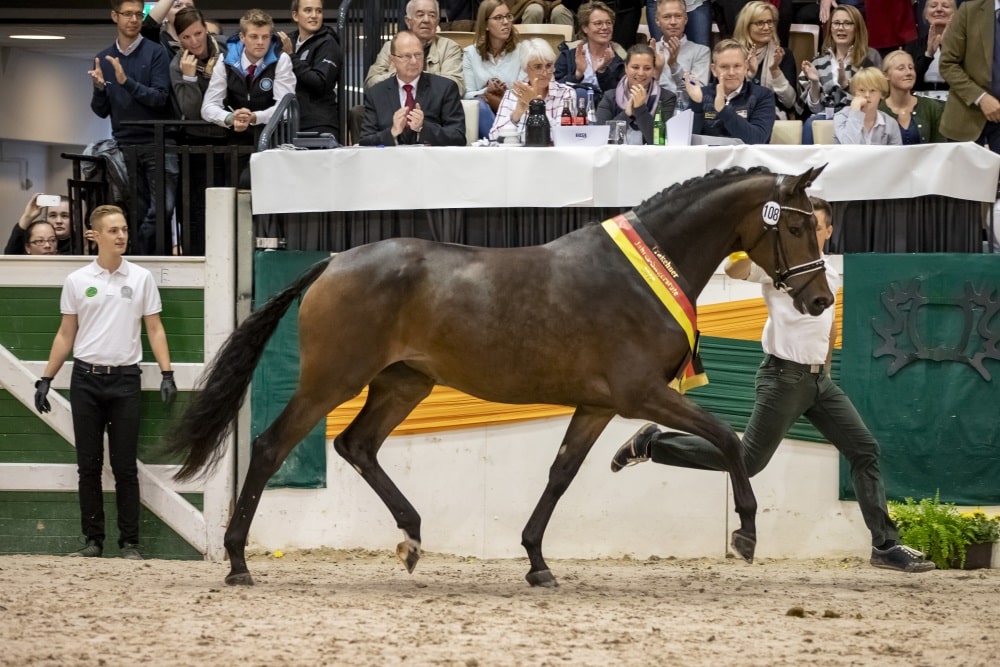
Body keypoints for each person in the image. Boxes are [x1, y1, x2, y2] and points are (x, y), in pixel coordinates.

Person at [609, 197, 936, 574]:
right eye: (804, 226)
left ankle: (885, 545)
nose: (811, 232)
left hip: (818, 382)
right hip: (783, 377)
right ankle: (652, 444)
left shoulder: (830, 272)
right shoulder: (779, 266)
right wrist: (747, 240)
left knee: (864, 450)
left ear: (829, 231)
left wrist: (824, 372)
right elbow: (737, 270)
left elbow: (826, 328)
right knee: (747, 461)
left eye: (816, 226)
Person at [34, 204, 176, 560]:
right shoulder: (78, 281)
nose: (122, 235)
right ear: (94, 235)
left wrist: (167, 372)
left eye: (125, 229)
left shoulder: (141, 278)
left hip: (126, 379)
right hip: (86, 379)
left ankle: (130, 542)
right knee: (89, 465)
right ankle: (93, 541)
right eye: (113, 230)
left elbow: (154, 328)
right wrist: (45, 378)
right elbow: (66, 334)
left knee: (125, 466)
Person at [90, 0, 178, 256]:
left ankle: (135, 250)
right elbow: (101, 110)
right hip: (124, 144)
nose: (134, 19)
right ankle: (140, 260)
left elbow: (159, 98)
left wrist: (126, 82)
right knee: (135, 210)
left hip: (158, 142)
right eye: (127, 14)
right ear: (114, 16)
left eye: (138, 14)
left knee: (163, 208)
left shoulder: (155, 52)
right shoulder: (104, 58)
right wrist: (99, 90)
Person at [169, 6, 226, 255]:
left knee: (229, 202)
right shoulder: (177, 64)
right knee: (196, 207)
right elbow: (191, 112)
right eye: (186, 37)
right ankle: (198, 256)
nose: (194, 42)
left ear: (205, 29)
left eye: (198, 34)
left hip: (229, 138)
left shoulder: (227, 50)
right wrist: (190, 79)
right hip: (196, 142)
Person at [201, 9, 297, 140]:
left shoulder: (281, 59)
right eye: (254, 36)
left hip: (274, 137)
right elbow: (208, 107)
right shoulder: (226, 60)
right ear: (242, 37)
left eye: (265, 37)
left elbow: (285, 109)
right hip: (237, 138)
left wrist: (255, 117)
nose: (260, 42)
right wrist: (230, 117)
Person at [360, 31, 467, 146]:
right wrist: (392, 133)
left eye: (418, 55)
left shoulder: (445, 88)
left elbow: (458, 136)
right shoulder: (377, 93)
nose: (414, 61)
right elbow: (365, 141)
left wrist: (423, 128)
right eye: (406, 56)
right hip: (390, 161)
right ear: (392, 60)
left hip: (431, 161)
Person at [798, 4, 881, 143]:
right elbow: (815, 108)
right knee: (810, 124)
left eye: (847, 23)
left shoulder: (867, 62)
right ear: (830, 28)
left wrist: (845, 84)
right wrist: (814, 82)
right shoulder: (818, 63)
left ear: (857, 28)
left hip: (856, 117)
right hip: (824, 117)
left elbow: (872, 101)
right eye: (836, 23)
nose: (841, 28)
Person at [366, 0, 466, 97]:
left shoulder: (449, 48)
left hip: (434, 108)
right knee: (359, 112)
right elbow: (370, 84)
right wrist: (396, 77)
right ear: (408, 21)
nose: (426, 20)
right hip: (395, 104)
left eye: (432, 15)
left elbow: (457, 87)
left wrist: (413, 77)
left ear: (437, 22)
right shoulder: (390, 46)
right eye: (420, 15)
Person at [939, 0, 1000, 155]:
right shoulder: (969, 10)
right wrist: (981, 97)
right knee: (966, 179)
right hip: (966, 116)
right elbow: (948, 64)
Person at [686, 39, 776, 144]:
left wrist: (724, 111)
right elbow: (688, 141)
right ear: (714, 70)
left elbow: (757, 139)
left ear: (746, 66)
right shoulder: (701, 95)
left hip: (746, 159)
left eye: (737, 66)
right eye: (724, 67)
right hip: (708, 158)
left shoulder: (763, 95)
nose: (731, 73)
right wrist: (696, 106)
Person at [278, 0, 344, 141]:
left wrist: (291, 56)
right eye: (308, 10)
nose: (314, 15)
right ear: (295, 15)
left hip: (319, 125)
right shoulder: (288, 41)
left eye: (318, 11)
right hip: (288, 123)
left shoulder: (328, 43)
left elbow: (319, 83)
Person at [488, 37, 577, 141]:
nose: (545, 73)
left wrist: (537, 105)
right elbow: (493, 136)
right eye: (538, 67)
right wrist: (517, 113)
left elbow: (564, 137)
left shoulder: (566, 94)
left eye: (549, 66)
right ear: (525, 68)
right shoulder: (512, 94)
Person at [463, 1, 523, 139]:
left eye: (508, 16)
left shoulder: (522, 51)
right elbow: (467, 95)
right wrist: (486, 91)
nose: (506, 22)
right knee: (479, 105)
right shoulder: (470, 54)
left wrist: (504, 93)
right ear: (486, 25)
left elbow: (523, 92)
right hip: (484, 111)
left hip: (513, 111)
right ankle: (497, 143)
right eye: (498, 18)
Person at [596, 42, 677, 143]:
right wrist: (626, 114)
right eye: (635, 67)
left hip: (650, 157)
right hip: (617, 156)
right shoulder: (610, 96)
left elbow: (658, 141)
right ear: (626, 67)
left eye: (647, 68)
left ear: (653, 70)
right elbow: (600, 138)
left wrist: (640, 109)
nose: (641, 73)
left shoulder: (666, 98)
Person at [733, 1, 798, 119]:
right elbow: (725, 95)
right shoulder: (732, 54)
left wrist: (775, 71)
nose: (767, 27)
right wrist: (749, 76)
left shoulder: (783, 55)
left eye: (770, 22)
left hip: (772, 117)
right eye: (760, 23)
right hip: (738, 114)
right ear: (746, 25)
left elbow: (790, 102)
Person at [554, 1, 626, 96]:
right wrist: (577, 74)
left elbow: (620, 97)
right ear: (585, 28)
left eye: (609, 23)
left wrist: (602, 72)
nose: (605, 27)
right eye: (598, 23)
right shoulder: (568, 55)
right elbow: (554, 89)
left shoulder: (621, 59)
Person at [879, 50, 945, 144]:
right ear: (886, 75)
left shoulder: (931, 107)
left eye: (911, 68)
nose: (908, 72)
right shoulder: (878, 110)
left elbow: (941, 148)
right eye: (901, 68)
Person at [652, 0, 710, 97]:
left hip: (687, 110)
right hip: (658, 110)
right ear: (657, 21)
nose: (673, 22)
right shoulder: (650, 51)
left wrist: (675, 67)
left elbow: (698, 90)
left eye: (678, 16)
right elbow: (642, 91)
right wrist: (656, 73)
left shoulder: (701, 52)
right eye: (667, 17)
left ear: (686, 19)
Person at [833, 66, 902, 144]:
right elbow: (849, 148)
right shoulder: (841, 117)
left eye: (872, 90)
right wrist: (855, 111)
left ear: (881, 94)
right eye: (862, 90)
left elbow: (897, 155)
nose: (867, 95)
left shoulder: (890, 123)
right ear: (854, 92)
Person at [907, 0, 956, 98]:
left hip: (954, 102)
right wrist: (928, 55)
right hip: (921, 103)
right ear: (925, 14)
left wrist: (946, 49)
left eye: (945, 6)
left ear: (955, 15)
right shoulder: (913, 46)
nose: (939, 9)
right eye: (933, 6)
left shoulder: (964, 45)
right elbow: (909, 82)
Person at [5, 194, 72, 255]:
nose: (58, 221)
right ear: (45, 219)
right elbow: (10, 256)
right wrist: (27, 217)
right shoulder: (32, 240)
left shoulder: (81, 244)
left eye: (65, 216)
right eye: (53, 215)